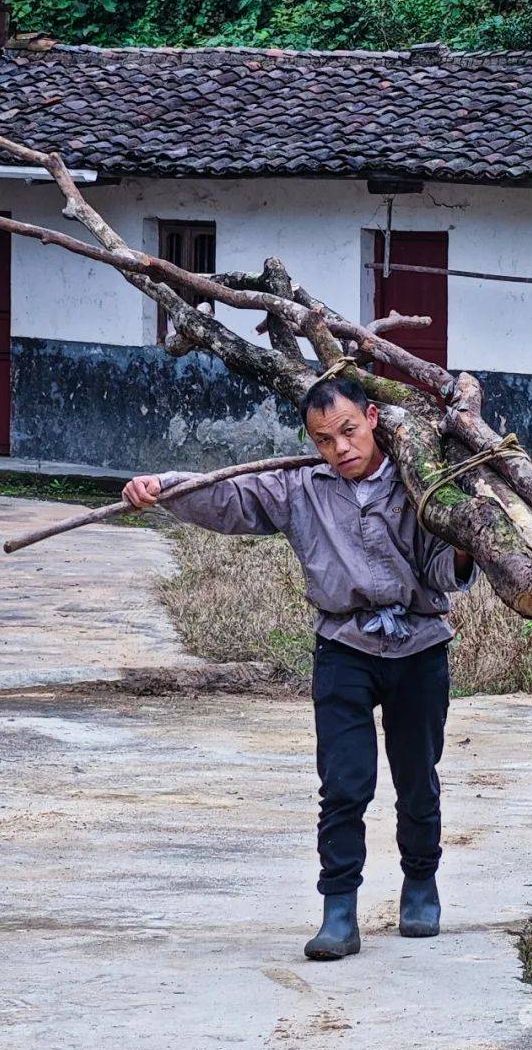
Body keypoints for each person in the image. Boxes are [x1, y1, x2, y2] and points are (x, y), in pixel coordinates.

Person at [121, 373, 478, 961]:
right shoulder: (300, 487)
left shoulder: (422, 480)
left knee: (417, 777)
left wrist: (467, 539)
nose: (340, 449)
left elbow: (443, 572)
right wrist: (165, 487)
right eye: (323, 440)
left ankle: (421, 884)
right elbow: (232, 498)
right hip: (342, 644)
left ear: (371, 418)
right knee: (343, 784)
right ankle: (339, 911)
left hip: (418, 645)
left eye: (347, 431)